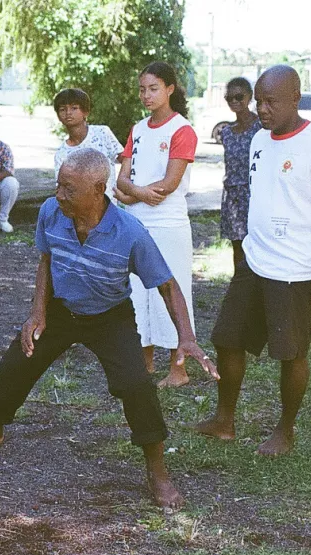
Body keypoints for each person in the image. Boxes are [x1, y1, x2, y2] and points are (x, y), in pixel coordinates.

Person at [0, 149, 218, 509]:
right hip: (61, 310)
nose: (59, 194)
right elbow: (46, 260)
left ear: (98, 189)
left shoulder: (130, 233)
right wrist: (37, 313)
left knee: (135, 384)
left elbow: (167, 285)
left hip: (109, 315)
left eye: (69, 189)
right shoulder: (51, 212)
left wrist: (186, 337)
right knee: (18, 362)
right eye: (58, 185)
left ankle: (157, 469)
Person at [195, 65, 311, 457]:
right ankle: (225, 420)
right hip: (255, 259)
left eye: (272, 101)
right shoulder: (259, 140)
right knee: (228, 340)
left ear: (296, 99)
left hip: (297, 270)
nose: (262, 109)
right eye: (259, 100)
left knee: (291, 353)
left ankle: (285, 431)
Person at [114, 61, 199, 388]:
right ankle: (144, 362)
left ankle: (178, 369)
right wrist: (135, 194)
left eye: (153, 89)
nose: (146, 95)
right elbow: (122, 177)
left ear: (170, 89)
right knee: (137, 292)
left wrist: (134, 193)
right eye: (142, 89)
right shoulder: (137, 129)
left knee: (173, 291)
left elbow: (169, 183)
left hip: (168, 224)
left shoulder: (181, 129)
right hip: (135, 220)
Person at [219, 77, 262, 266]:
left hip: (255, 194)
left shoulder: (261, 127)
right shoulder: (226, 132)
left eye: (239, 97)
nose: (235, 102)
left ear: (250, 97)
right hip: (232, 196)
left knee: (257, 244)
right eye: (230, 98)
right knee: (237, 247)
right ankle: (241, 289)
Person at [52, 88, 123, 197]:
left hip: (109, 205)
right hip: (80, 208)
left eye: (74, 108)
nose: (68, 113)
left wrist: (125, 187)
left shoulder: (102, 133)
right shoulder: (62, 154)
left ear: (86, 112)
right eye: (62, 109)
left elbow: (125, 160)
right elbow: (62, 187)